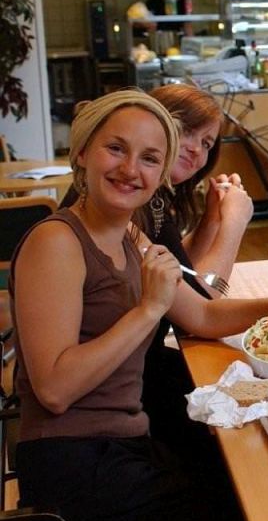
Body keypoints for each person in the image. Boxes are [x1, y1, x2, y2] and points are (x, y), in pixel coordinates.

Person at [9, 90, 268, 521]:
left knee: (256, 495)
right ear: (81, 153)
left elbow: (200, 314)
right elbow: (54, 389)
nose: (130, 169)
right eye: (115, 149)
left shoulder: (130, 236)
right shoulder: (56, 242)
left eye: (149, 158)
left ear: (161, 176)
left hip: (125, 447)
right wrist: (148, 309)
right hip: (73, 464)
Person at [61, 83, 252, 455]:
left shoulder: (151, 203)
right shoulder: (120, 208)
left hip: (129, 369)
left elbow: (179, 274)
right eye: (187, 131)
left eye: (208, 143)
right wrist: (235, 223)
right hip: (118, 388)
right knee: (235, 434)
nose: (197, 149)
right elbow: (198, 300)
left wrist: (213, 216)